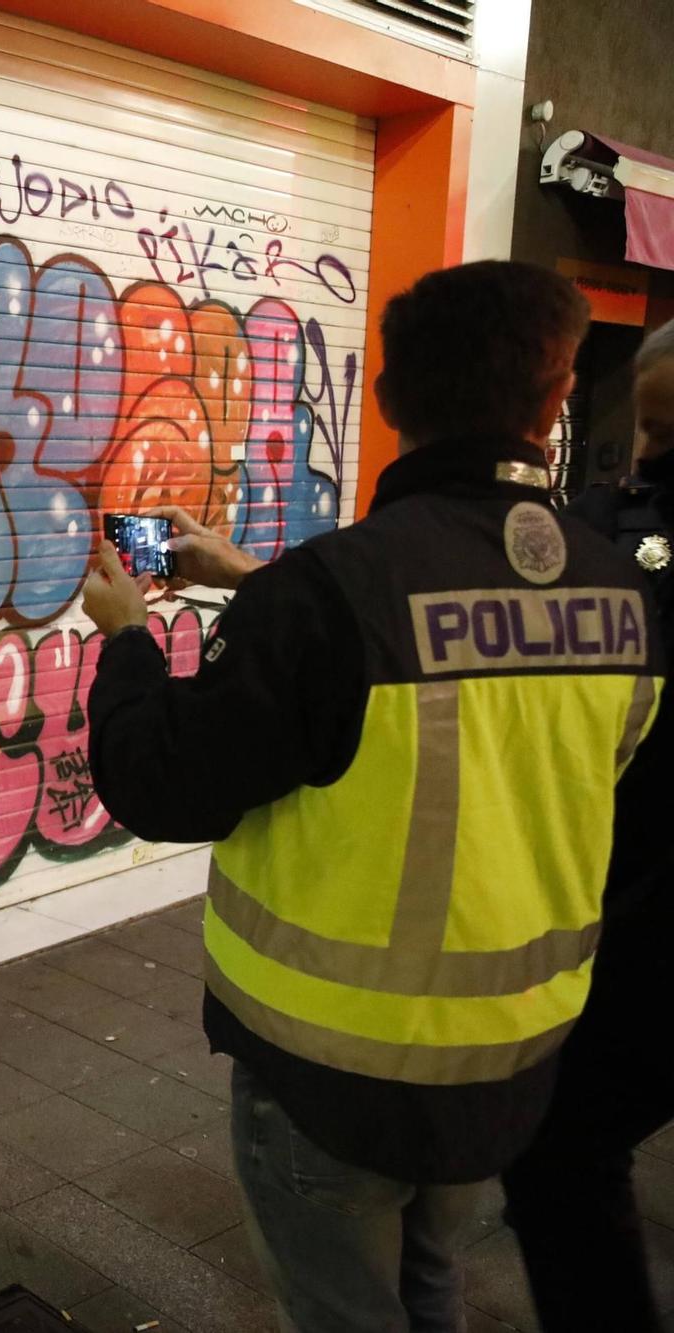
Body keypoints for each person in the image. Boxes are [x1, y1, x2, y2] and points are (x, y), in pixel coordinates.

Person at [81, 260, 663, 1332]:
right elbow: (474, 678)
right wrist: (257, 577)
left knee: (346, 1311)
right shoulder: (618, 591)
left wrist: (125, 638)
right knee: (427, 1278)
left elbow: (163, 781)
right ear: (557, 395)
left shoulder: (331, 593)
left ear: (388, 399)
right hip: (511, 1057)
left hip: (333, 1069)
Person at [499, 320, 674, 1330]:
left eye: (662, 433)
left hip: (648, 916)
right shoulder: (609, 519)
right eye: (640, 429)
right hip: (620, 889)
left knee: (559, 1152)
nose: (645, 454)